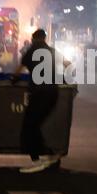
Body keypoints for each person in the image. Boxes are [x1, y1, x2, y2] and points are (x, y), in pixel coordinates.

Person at [13, 29, 63, 173]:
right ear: (45, 38)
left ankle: (42, 155)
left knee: (30, 124)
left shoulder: (31, 51)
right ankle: (42, 155)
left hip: (39, 94)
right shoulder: (52, 51)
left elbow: (19, 69)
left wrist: (14, 79)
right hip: (52, 93)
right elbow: (67, 65)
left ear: (34, 39)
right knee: (34, 124)